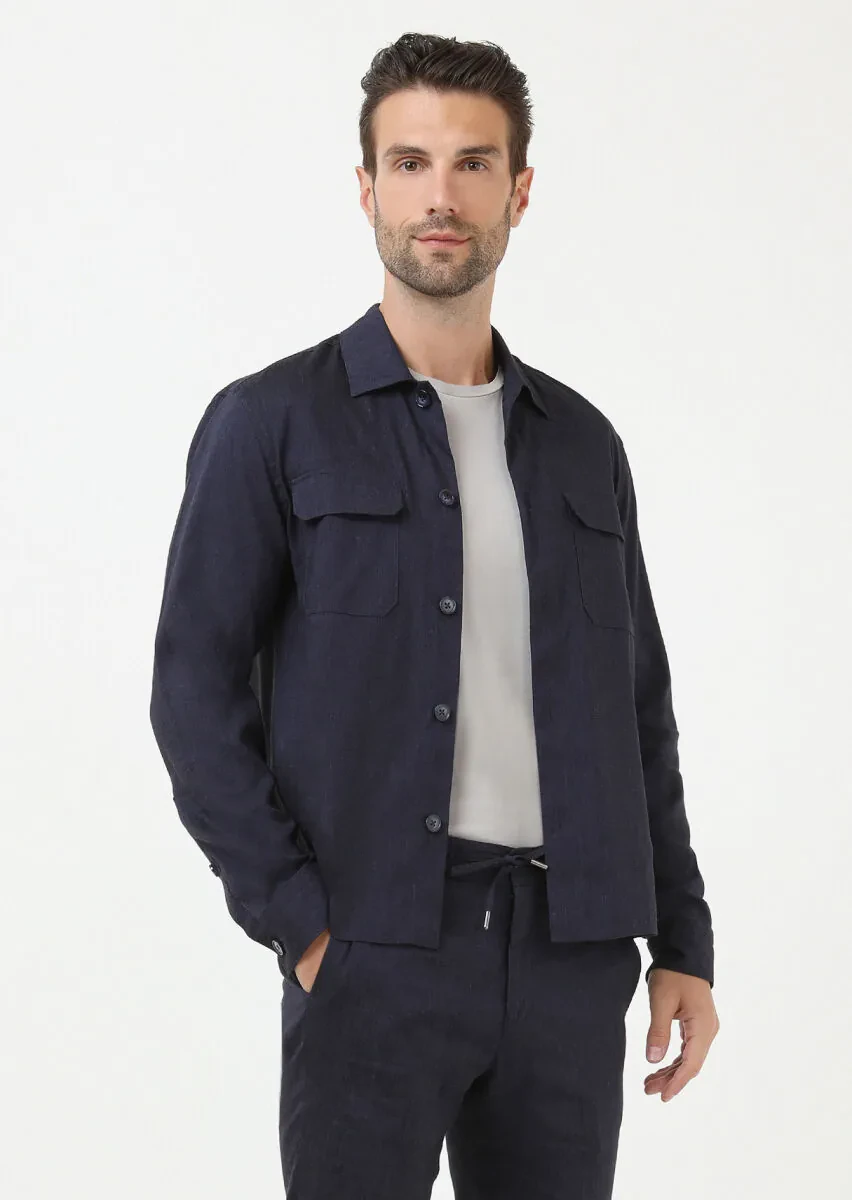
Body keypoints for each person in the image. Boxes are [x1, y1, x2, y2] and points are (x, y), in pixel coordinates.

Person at [149, 30, 719, 1199]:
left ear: (520, 191)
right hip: (375, 952)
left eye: (472, 163)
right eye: (409, 163)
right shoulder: (272, 424)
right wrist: (305, 926)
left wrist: (683, 943)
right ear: (367, 189)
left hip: (571, 957)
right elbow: (193, 696)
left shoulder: (583, 445)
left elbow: (639, 711)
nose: (440, 196)